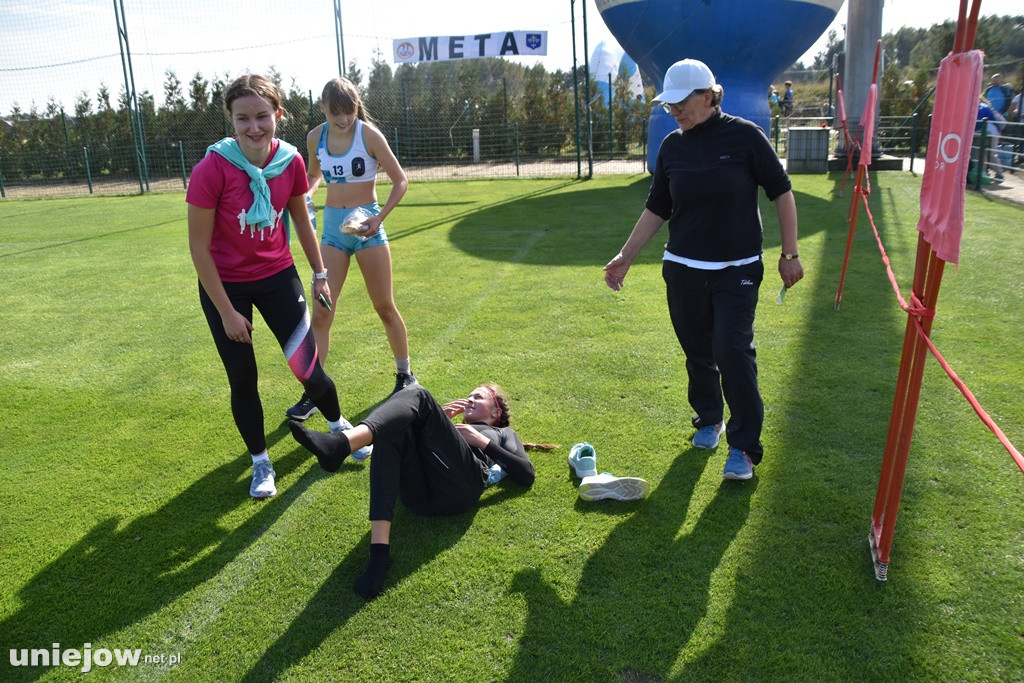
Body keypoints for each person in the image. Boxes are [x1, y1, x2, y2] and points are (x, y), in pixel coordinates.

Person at [603, 58, 803, 482]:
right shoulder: (672, 147)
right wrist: (625, 256)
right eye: (668, 103)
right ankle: (709, 419)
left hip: (738, 270)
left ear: (708, 96)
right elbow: (658, 207)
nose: (673, 110)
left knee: (732, 352)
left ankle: (745, 447)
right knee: (698, 352)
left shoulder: (746, 137)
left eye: (680, 102)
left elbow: (781, 193)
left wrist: (789, 254)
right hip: (683, 270)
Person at [187, 74, 366, 499]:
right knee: (243, 379)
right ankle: (260, 462)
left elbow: (302, 220)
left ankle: (340, 429)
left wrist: (320, 273)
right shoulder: (212, 168)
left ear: (278, 116)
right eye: (243, 118)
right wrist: (228, 312)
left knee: (306, 366)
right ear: (231, 120)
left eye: (262, 116)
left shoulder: (291, 161)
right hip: (225, 287)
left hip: (276, 276)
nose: (254, 127)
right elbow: (198, 248)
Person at [288, 382, 536, 599]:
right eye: (469, 396)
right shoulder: (452, 428)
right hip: (419, 496)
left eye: (478, 397)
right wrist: (434, 423)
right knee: (394, 427)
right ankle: (380, 554)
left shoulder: (503, 433)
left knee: (417, 393)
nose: (470, 399)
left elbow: (526, 474)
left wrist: (481, 440)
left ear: (496, 411)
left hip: (462, 487)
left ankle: (341, 444)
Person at [286, 77, 413, 421]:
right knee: (323, 311)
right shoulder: (315, 137)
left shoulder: (369, 135)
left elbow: (401, 180)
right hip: (332, 234)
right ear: (323, 108)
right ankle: (314, 391)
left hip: (367, 228)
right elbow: (312, 177)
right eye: (335, 112)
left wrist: (379, 217)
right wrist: (307, 195)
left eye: (350, 110)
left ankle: (405, 375)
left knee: (384, 306)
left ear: (357, 106)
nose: (343, 119)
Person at [977, 96, 1006, 180]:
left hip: (992, 133)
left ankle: (999, 173)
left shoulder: (982, 107)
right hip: (987, 132)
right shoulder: (984, 106)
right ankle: (984, 171)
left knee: (991, 153)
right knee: (984, 152)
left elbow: (978, 121)